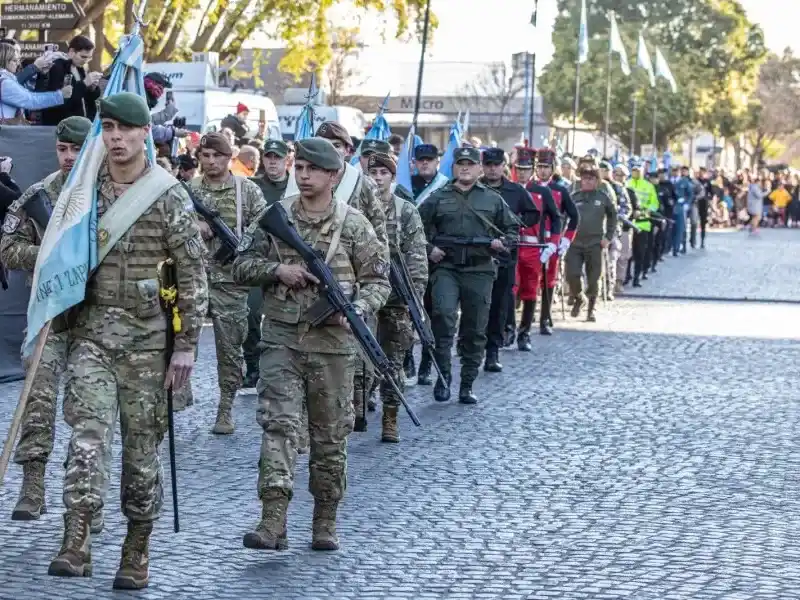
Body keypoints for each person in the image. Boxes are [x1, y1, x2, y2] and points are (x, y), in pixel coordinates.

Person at [46, 92, 208, 589]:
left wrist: (186, 346)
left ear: (144, 135)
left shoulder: (167, 194)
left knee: (141, 452)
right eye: (109, 129)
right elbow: (58, 250)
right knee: (87, 438)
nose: (116, 138)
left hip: (148, 342)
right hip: (91, 335)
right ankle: (76, 540)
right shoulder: (83, 192)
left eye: (125, 130)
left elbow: (192, 275)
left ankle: (136, 548)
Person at [232, 137, 390, 551]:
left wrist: (353, 308)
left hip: (334, 346)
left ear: (334, 176)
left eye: (313, 170)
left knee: (330, 435)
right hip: (282, 339)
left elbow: (378, 281)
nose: (303, 176)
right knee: (278, 426)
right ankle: (272, 520)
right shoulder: (276, 217)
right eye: (299, 168)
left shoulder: (354, 224)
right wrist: (277, 269)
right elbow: (241, 264)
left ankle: (325, 519)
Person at [0, 116, 109, 531]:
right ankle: (32, 484)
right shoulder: (37, 195)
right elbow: (8, 249)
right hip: (47, 315)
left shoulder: (110, 197)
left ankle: (86, 497)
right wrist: (49, 255)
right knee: (36, 400)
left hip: (96, 321)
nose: (67, 158)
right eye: (62, 149)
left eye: (76, 150)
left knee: (88, 411)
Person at [418, 147, 518, 404]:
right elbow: (415, 228)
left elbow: (512, 231)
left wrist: (501, 243)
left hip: (480, 270)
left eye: (470, 164)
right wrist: (431, 249)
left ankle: (467, 383)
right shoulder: (438, 198)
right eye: (460, 164)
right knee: (443, 316)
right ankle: (443, 378)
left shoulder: (493, 200)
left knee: (474, 327)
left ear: (479, 169)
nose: (465, 168)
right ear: (453, 168)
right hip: (446, 268)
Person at [189, 133, 267, 434]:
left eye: (217, 156)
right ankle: (178, 393)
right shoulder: (188, 190)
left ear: (228, 157)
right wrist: (195, 226)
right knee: (180, 338)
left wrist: (240, 243)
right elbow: (169, 222)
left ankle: (225, 406)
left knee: (229, 348)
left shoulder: (245, 190)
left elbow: (263, 227)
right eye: (205, 156)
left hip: (230, 281)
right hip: (192, 277)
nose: (210, 162)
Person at [366, 152, 427, 442]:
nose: (377, 178)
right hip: (362, 294)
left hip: (396, 296)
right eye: (373, 172)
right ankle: (356, 408)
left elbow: (417, 258)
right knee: (357, 359)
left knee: (393, 359)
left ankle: (390, 416)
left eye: (383, 173)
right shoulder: (354, 208)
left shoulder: (405, 211)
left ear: (392, 177)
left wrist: (413, 298)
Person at [480, 147, 538, 369]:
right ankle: (471, 346)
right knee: (474, 305)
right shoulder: (475, 188)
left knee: (499, 305)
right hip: (477, 255)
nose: (492, 169)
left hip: (505, 256)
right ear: (483, 166)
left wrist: (515, 225)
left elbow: (533, 214)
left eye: (496, 165)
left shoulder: (516, 191)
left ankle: (493, 351)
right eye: (488, 165)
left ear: (503, 166)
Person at [404, 143, 449, 382]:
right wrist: (426, 248)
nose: (425, 163)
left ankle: (426, 363)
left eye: (429, 160)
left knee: (432, 312)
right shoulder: (405, 185)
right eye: (421, 159)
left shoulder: (445, 186)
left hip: (437, 259)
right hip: (411, 256)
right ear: (414, 162)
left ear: (437, 162)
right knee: (408, 310)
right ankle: (407, 356)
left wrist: (434, 249)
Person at [515, 151, 562, 345]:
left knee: (530, 290)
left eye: (526, 170)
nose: (523, 173)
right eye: (520, 169)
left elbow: (556, 218)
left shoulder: (542, 192)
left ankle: (524, 332)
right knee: (509, 288)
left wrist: (553, 243)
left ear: (532, 170)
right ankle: (508, 327)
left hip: (534, 248)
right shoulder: (509, 189)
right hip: (512, 247)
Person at [565, 163, 617, 321]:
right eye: (584, 178)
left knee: (594, 277)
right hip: (575, 242)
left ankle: (591, 309)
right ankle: (580, 297)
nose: (586, 182)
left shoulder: (603, 197)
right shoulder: (574, 197)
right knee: (571, 274)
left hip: (595, 243)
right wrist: (562, 236)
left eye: (590, 179)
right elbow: (562, 216)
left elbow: (613, 217)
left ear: (597, 181)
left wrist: (608, 237)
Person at [0, 43, 71, 122]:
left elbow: (32, 94)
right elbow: (31, 100)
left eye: (18, 60)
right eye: (14, 60)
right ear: (4, 60)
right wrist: (60, 95)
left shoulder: (7, 79)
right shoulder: (5, 83)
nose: (18, 63)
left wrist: (42, 74)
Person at [40, 35, 101, 125]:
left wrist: (92, 88)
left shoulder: (80, 69)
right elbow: (61, 101)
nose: (86, 61)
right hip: (61, 125)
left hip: (80, 124)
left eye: (89, 57)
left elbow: (85, 98)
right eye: (83, 57)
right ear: (72, 52)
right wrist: (84, 84)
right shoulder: (57, 67)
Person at [627, 163, 659, 286]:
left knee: (640, 252)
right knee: (628, 253)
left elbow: (655, 204)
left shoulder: (649, 186)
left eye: (638, 170)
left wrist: (647, 210)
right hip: (629, 223)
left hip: (643, 224)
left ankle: (637, 277)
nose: (636, 172)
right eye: (634, 170)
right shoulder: (627, 183)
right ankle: (627, 275)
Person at [612, 165, 637, 293]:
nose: (618, 177)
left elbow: (632, 208)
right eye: (616, 174)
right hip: (611, 228)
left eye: (621, 175)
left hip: (625, 228)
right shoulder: (609, 188)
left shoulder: (630, 191)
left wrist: (623, 216)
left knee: (623, 257)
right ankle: (608, 281)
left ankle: (619, 281)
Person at [674, 166, 694, 255]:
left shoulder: (687, 181)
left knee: (683, 227)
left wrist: (687, 204)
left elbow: (690, 194)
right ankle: (675, 246)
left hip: (683, 207)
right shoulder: (673, 180)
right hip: (674, 206)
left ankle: (683, 246)